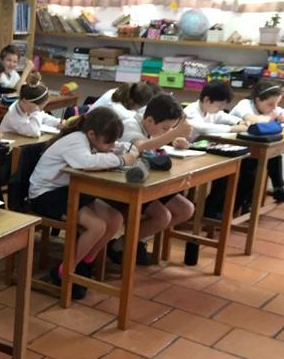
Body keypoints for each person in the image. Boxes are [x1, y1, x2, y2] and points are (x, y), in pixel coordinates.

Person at [28, 107, 134, 297]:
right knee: (97, 226)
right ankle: (65, 270)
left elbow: (108, 151)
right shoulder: (76, 140)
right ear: (92, 134)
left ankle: (85, 262)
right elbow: (86, 162)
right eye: (108, 142)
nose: (111, 146)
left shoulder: (90, 139)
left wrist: (119, 151)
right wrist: (120, 160)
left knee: (115, 219)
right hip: (45, 194)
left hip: (68, 190)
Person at [112, 94, 195, 264]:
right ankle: (118, 248)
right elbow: (140, 147)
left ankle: (134, 241)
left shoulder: (150, 127)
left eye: (170, 128)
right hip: (125, 184)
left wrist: (176, 139)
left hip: (148, 182)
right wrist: (173, 134)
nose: (166, 131)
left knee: (185, 209)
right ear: (149, 120)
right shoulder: (130, 125)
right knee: (162, 217)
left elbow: (157, 140)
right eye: (165, 128)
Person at [229, 81, 284, 203]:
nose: (274, 108)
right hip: (235, 149)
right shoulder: (244, 104)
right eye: (270, 104)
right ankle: (240, 205)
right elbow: (253, 120)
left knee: (274, 152)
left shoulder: (271, 108)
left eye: (277, 104)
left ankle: (278, 188)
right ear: (258, 99)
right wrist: (271, 118)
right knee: (251, 175)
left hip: (254, 148)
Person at [0, 71, 64, 137]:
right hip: (11, 142)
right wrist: (36, 111)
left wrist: (57, 122)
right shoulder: (13, 115)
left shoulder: (27, 108)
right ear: (24, 101)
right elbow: (34, 131)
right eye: (37, 108)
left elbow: (44, 117)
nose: (39, 110)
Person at [184, 80, 248, 139]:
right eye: (220, 105)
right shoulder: (190, 111)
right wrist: (231, 129)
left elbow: (225, 116)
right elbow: (203, 128)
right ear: (207, 100)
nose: (221, 108)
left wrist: (240, 122)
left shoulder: (211, 111)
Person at [89, 82, 156, 121]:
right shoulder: (115, 107)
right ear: (131, 102)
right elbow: (138, 120)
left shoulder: (125, 92)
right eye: (140, 106)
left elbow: (143, 110)